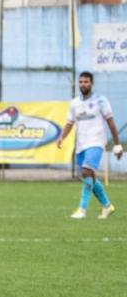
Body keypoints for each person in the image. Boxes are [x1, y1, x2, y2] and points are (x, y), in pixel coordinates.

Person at [56, 71, 122, 219]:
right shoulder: (74, 103)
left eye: (86, 82)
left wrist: (117, 144)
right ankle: (107, 206)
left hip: (96, 142)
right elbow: (69, 123)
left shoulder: (101, 101)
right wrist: (62, 137)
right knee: (88, 176)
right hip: (81, 144)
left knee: (86, 172)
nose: (83, 84)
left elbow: (110, 122)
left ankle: (82, 209)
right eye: (81, 82)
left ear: (91, 83)